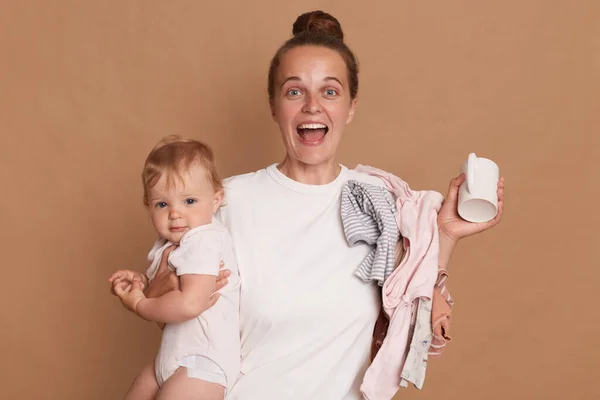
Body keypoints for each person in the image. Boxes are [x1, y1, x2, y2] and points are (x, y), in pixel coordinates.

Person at [141, 10, 505, 400]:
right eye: (294, 91)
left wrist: (445, 235)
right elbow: (177, 318)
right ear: (274, 106)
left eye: (330, 91)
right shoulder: (222, 203)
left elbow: (413, 312)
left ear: (350, 106)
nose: (312, 106)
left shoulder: (379, 205)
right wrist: (155, 288)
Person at [109, 136, 241, 400]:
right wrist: (140, 284)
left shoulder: (204, 239)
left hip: (203, 362)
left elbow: (189, 304)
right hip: (171, 357)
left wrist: (139, 305)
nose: (175, 213)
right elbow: (164, 290)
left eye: (189, 201)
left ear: (216, 200)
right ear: (149, 206)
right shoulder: (168, 244)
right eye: (162, 204)